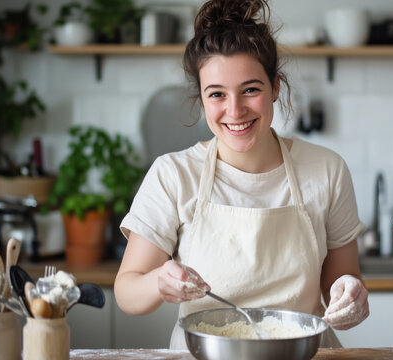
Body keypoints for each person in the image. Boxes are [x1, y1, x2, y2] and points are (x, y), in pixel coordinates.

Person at [115, 0, 369, 349]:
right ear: (202, 99)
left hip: (304, 354)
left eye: (251, 89)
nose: (235, 111)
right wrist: (159, 281)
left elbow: (342, 280)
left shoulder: (327, 170)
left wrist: (350, 294)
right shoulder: (173, 174)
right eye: (217, 94)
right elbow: (127, 291)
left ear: (275, 87)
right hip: (205, 354)